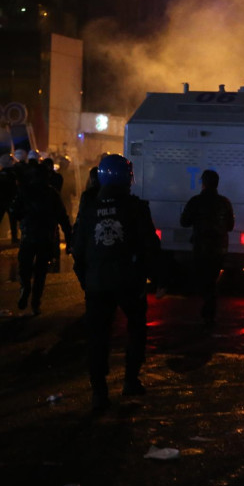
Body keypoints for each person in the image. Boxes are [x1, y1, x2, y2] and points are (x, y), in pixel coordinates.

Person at [71, 154, 162, 413]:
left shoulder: (88, 206)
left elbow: (78, 248)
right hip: (129, 282)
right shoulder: (135, 207)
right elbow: (150, 246)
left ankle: (99, 393)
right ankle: (130, 380)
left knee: (98, 339)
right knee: (136, 331)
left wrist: (85, 280)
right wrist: (158, 278)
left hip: (97, 284)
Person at [10, 162, 72, 315]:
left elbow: (14, 212)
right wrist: (69, 239)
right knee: (40, 272)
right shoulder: (52, 193)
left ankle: (26, 289)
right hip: (46, 238)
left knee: (25, 268)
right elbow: (63, 218)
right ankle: (35, 301)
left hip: (29, 237)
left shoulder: (25, 191)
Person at [180, 169, 235, 326]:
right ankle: (209, 313)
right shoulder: (225, 203)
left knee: (203, 280)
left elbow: (184, 222)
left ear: (203, 183)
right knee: (211, 279)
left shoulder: (195, 201)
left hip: (201, 247)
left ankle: (207, 311)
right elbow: (230, 226)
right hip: (219, 248)